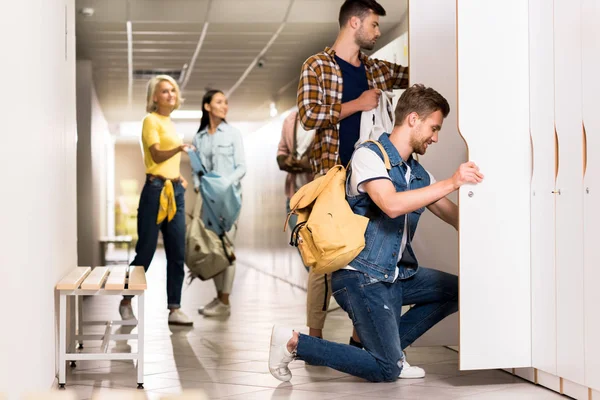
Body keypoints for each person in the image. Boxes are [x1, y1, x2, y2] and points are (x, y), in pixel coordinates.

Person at [269, 84, 484, 382]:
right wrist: (451, 182)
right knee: (385, 371)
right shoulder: (368, 156)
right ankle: (294, 343)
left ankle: (384, 351)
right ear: (412, 119)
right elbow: (391, 204)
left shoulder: (418, 174)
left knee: (457, 290)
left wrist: (494, 228)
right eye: (433, 128)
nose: (435, 137)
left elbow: (453, 216)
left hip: (395, 275)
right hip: (361, 277)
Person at [296, 0, 410, 344]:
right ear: (354, 23)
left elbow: (418, 70)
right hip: (330, 175)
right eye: (374, 25)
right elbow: (309, 115)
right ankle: (314, 337)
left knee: (367, 252)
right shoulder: (317, 65)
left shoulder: (377, 70)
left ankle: (360, 337)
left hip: (370, 175)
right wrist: (357, 104)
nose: (378, 32)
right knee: (324, 255)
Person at [119, 75, 194, 326]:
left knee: (177, 252)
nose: (170, 94)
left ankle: (175, 308)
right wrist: (180, 148)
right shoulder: (150, 120)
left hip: (175, 191)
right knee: (146, 251)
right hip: (154, 191)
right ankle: (126, 301)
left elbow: (169, 164)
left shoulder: (170, 123)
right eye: (164, 91)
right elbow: (156, 154)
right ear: (154, 97)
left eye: (173, 90)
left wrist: (179, 178)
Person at [193, 90, 246, 317]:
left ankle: (225, 300)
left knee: (227, 249)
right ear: (207, 106)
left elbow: (241, 167)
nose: (224, 105)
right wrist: (199, 187)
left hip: (229, 199)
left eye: (226, 102)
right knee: (212, 250)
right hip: (207, 201)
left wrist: (224, 184)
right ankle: (220, 299)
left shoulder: (233, 133)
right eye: (219, 101)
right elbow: (197, 169)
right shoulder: (199, 138)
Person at [277, 109, 314, 232]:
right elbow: (282, 150)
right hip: (294, 195)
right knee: (300, 243)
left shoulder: (326, 119)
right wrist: (285, 160)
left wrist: (308, 165)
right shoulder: (291, 119)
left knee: (317, 245)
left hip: (318, 197)